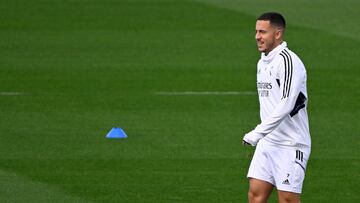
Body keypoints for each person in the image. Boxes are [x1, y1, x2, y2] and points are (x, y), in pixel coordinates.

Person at [243, 12, 311, 203]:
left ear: (278, 34)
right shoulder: (262, 63)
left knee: (288, 199)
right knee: (255, 196)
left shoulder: (289, 61)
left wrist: (257, 133)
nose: (257, 36)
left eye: (263, 32)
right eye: (256, 31)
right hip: (268, 142)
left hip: (291, 143)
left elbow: (287, 103)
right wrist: (263, 136)